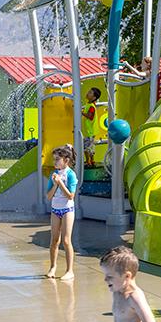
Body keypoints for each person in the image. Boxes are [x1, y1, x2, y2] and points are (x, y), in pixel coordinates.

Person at [44, 144, 79, 280]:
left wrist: (61, 183)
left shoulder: (71, 174)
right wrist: (55, 184)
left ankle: (70, 270)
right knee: (54, 240)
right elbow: (48, 196)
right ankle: (53, 267)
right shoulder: (54, 175)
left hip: (67, 210)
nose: (55, 162)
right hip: (55, 209)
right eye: (54, 159)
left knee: (66, 240)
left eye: (57, 159)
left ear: (66, 160)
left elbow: (71, 195)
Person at [83, 87, 102, 167]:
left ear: (94, 97)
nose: (87, 93)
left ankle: (89, 161)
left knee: (86, 147)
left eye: (90, 93)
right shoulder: (89, 104)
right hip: (88, 130)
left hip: (90, 131)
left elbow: (90, 116)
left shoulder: (91, 106)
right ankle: (91, 160)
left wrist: (82, 112)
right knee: (89, 147)